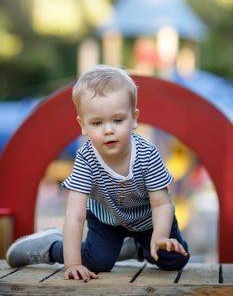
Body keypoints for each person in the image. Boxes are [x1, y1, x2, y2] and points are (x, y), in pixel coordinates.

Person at [6, 65, 189, 281]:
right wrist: (72, 264)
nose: (108, 129)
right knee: (95, 263)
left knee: (174, 259)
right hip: (106, 219)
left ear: (134, 118)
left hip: (149, 220)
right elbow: (75, 215)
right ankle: (52, 247)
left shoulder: (147, 154)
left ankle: (141, 247)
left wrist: (159, 236)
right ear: (83, 125)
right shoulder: (86, 158)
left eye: (118, 120)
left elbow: (161, 204)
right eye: (97, 123)